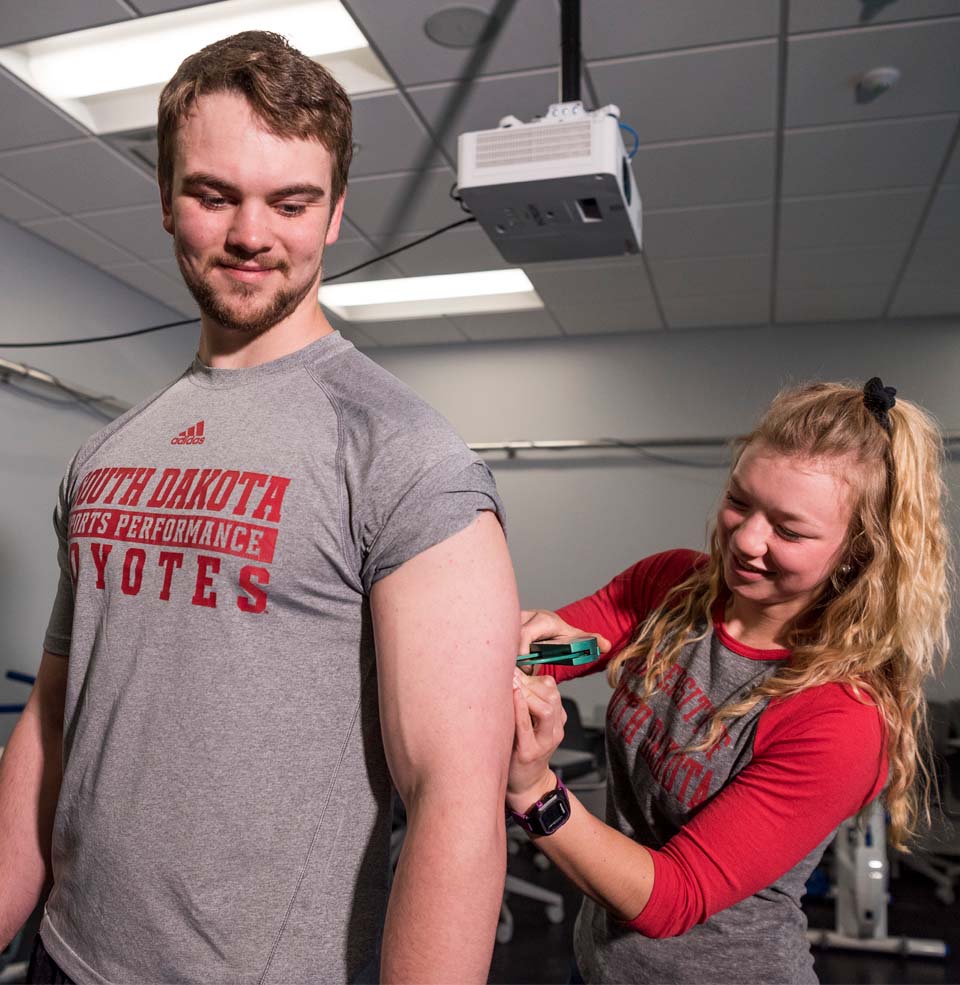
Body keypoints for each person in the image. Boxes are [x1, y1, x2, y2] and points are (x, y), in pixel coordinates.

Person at [0, 31, 518, 985]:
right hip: (63, 958)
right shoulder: (105, 455)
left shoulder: (405, 456)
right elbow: (54, 716)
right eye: (213, 194)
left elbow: (455, 795)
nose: (251, 233)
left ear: (334, 215)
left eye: (291, 202)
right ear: (165, 199)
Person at [507, 379, 951, 984]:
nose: (745, 540)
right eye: (741, 501)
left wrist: (533, 790)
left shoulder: (841, 718)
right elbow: (575, 647)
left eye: (789, 531)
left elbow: (673, 898)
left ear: (857, 551)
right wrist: (525, 645)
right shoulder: (669, 591)